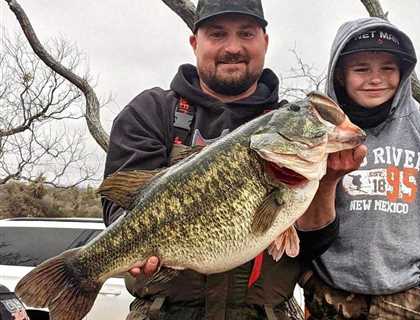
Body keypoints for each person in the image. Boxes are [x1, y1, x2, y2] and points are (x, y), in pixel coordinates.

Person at [102, 1, 365, 319]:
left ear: (265, 42)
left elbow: (310, 247)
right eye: (217, 34)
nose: (232, 47)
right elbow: (122, 214)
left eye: (246, 33)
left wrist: (328, 183)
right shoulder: (149, 112)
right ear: (194, 42)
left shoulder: (288, 125)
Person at [302, 17, 420, 319]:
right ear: (340, 75)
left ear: (403, 73)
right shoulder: (317, 133)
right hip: (329, 292)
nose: (376, 79)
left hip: (406, 296)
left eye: (388, 69)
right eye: (361, 69)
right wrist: (307, 277)